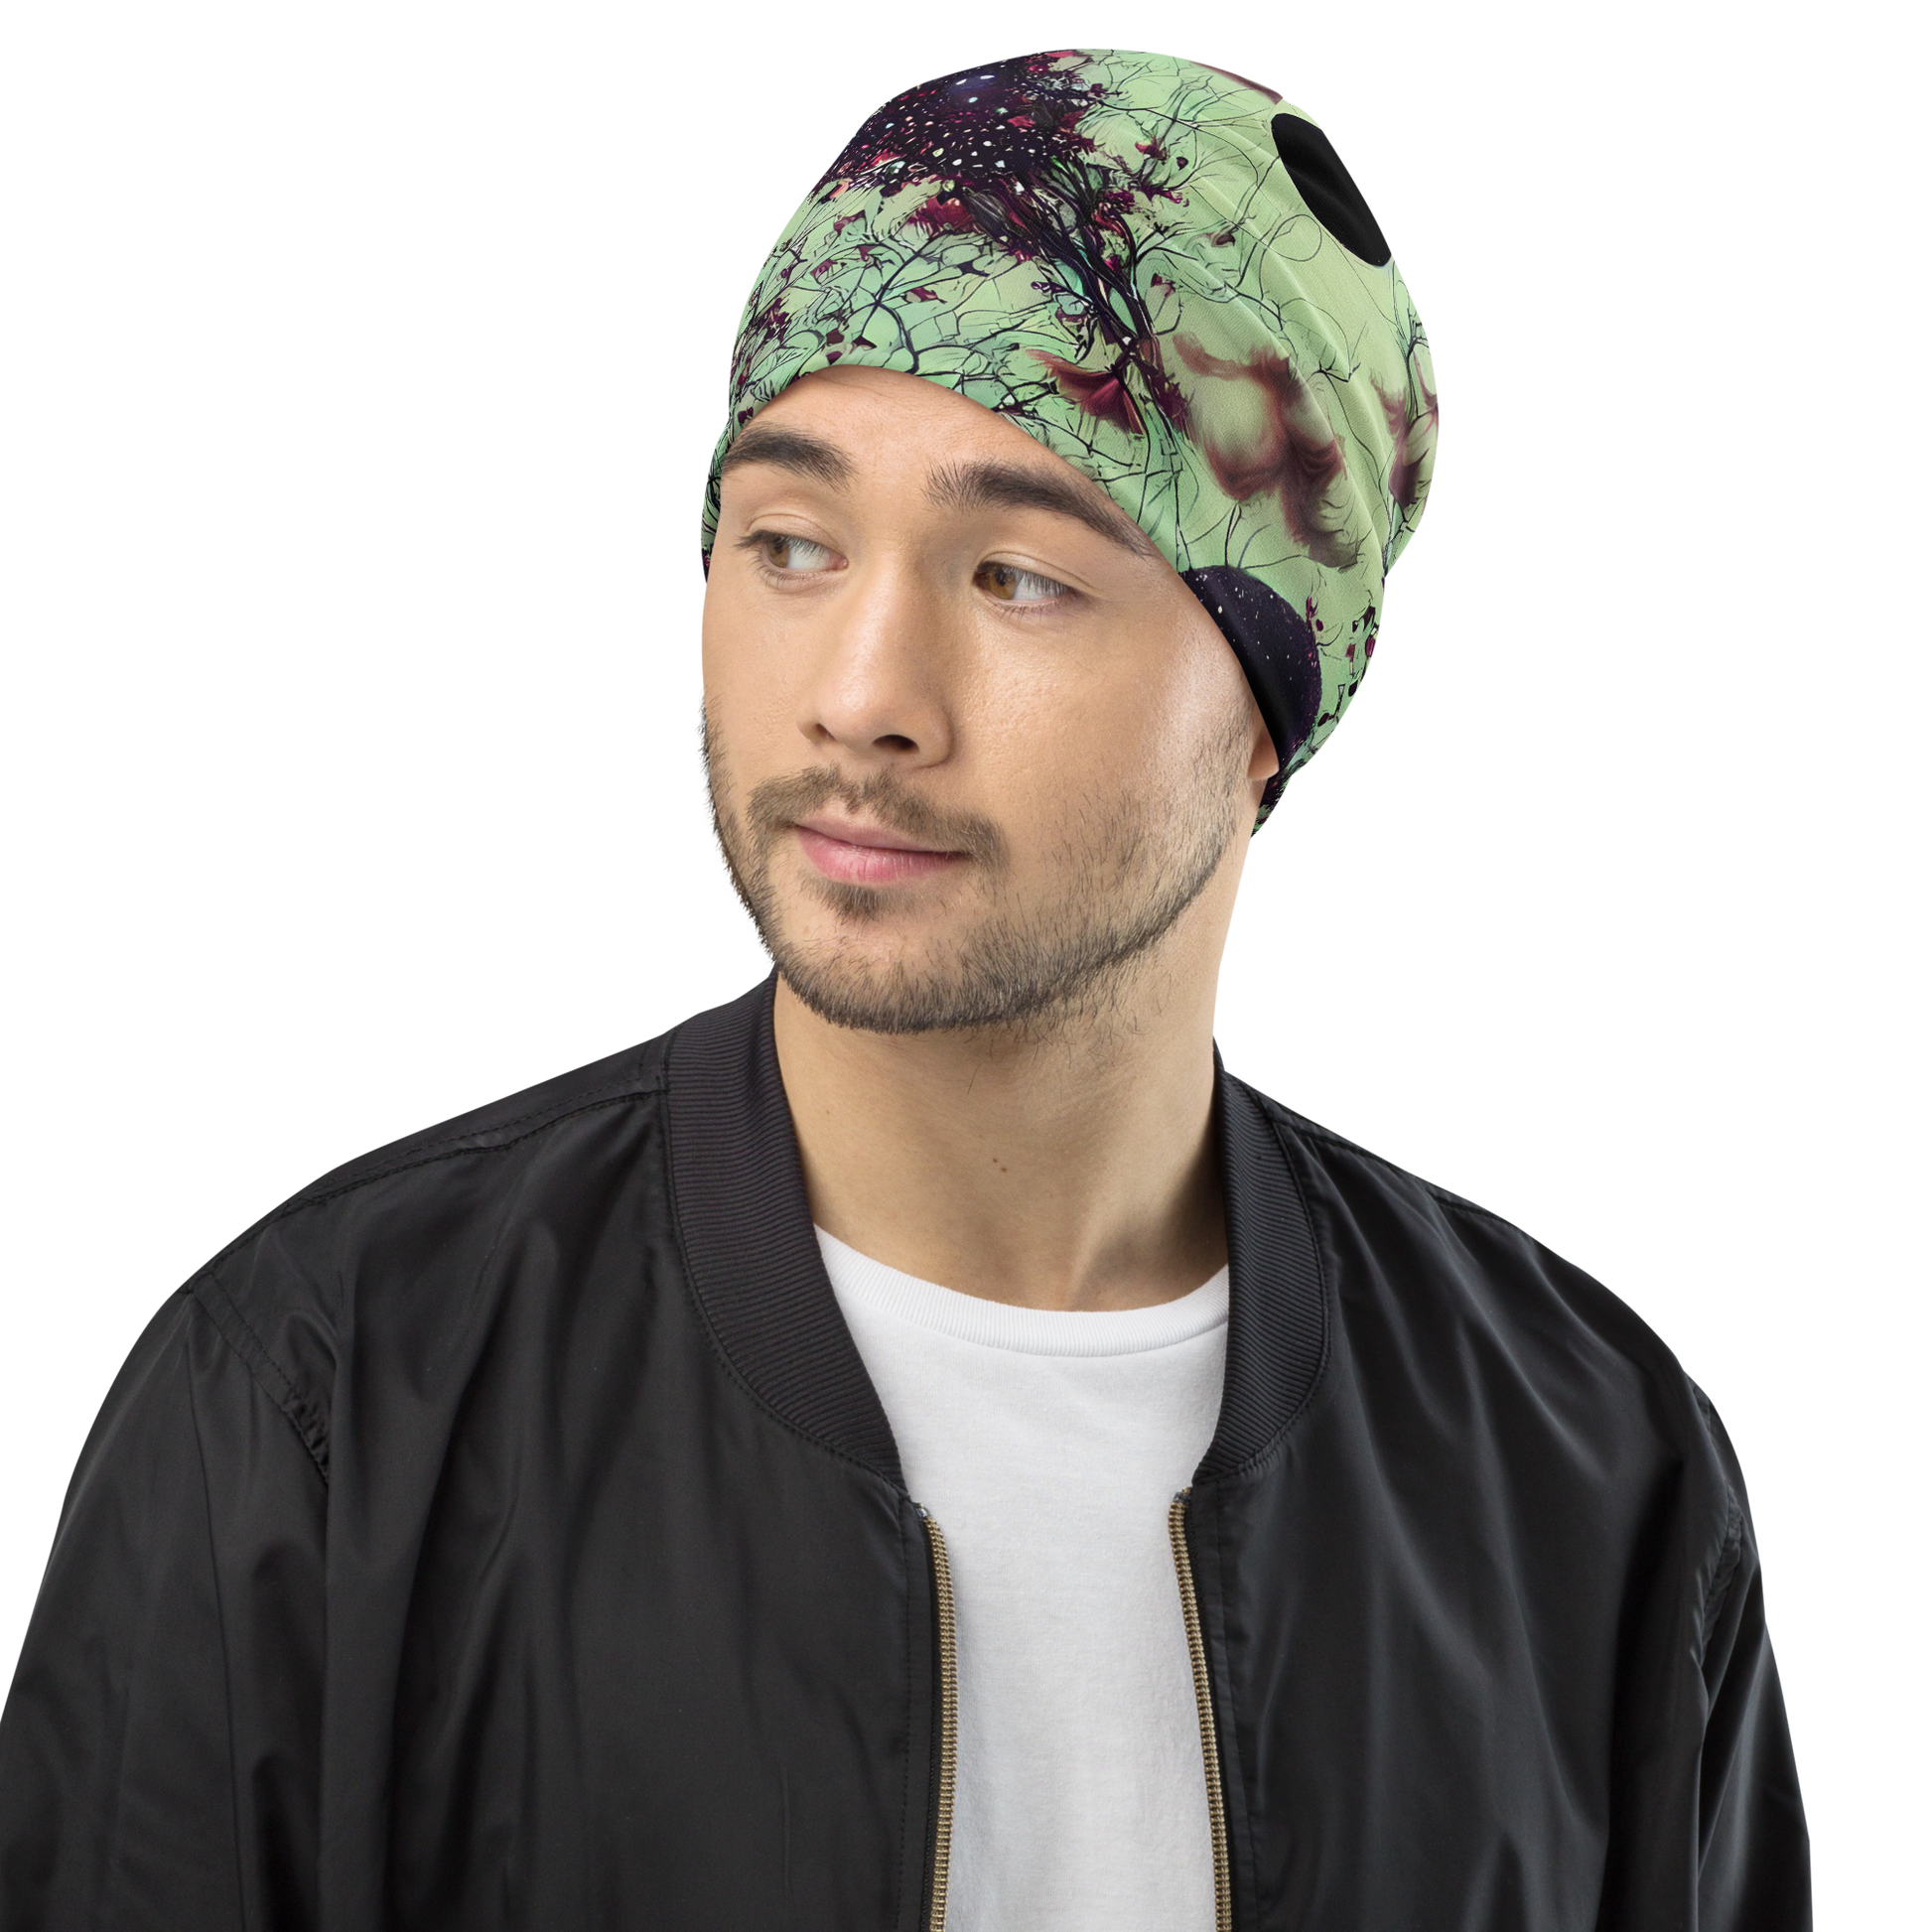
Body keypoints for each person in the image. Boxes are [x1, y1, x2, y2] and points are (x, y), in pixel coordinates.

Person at [0, 45, 1811, 1932]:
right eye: (788, 544)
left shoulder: (1593, 1472)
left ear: (1272, 701)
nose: (860, 695)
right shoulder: (320, 1399)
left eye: (1016, 576)